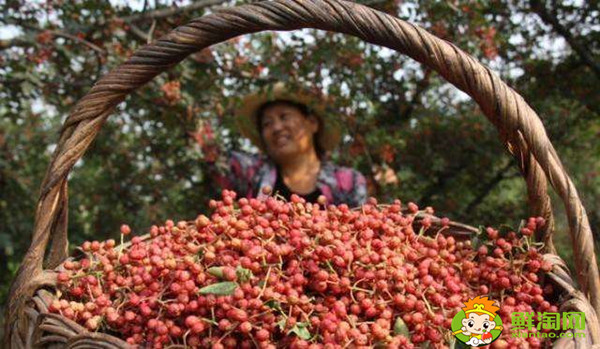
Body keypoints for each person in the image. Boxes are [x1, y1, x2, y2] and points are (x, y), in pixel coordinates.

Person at [208, 82, 367, 207]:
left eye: (284, 117)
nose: (276, 128)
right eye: (267, 124)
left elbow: (361, 236)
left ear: (312, 123)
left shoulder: (348, 181)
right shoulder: (252, 173)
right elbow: (213, 156)